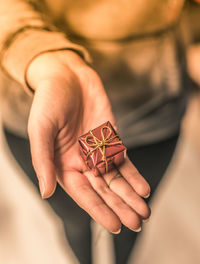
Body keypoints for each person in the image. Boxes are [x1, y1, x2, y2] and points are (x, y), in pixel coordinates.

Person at [0, 0, 200, 263]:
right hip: (42, 109)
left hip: (155, 109)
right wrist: (44, 56)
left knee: (130, 223)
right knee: (74, 222)